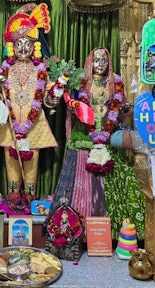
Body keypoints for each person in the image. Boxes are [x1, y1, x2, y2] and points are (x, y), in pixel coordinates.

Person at [52, 47, 145, 239]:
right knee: (83, 182)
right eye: (97, 60)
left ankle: (112, 233)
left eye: (104, 60)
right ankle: (80, 232)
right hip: (85, 136)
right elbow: (73, 105)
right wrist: (73, 105)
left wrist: (125, 109)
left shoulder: (116, 81)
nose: (100, 64)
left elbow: (120, 107)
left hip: (109, 135)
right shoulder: (81, 81)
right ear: (90, 62)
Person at [0, 3, 59, 214]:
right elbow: (0, 93)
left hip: (33, 125)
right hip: (10, 124)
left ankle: (29, 199)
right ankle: (13, 197)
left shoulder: (41, 70)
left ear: (34, 47)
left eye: (28, 44)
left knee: (32, 165)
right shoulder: (4, 69)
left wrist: (53, 98)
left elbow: (45, 98)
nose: (24, 49)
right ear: (12, 47)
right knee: (11, 164)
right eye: (20, 44)